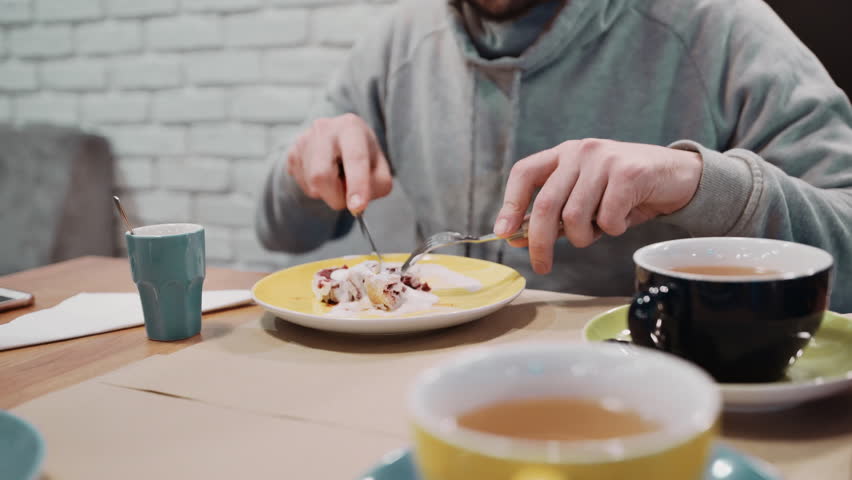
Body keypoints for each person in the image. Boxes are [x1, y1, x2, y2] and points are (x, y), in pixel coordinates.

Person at [256, 0, 852, 311]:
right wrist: (305, 168)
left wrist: (699, 182)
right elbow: (279, 231)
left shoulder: (716, 28)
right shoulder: (398, 41)